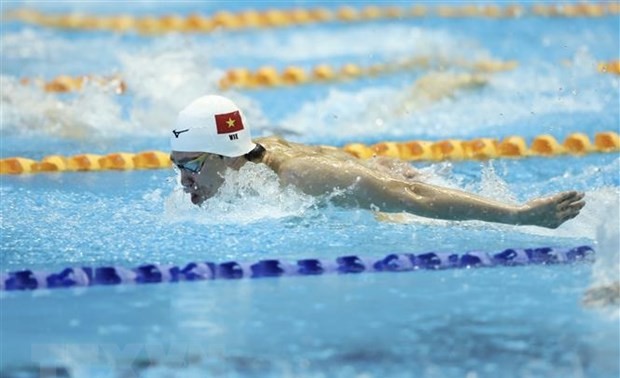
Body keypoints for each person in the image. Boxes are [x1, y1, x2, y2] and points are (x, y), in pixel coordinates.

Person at [170, 95, 585, 229]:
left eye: (190, 166)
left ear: (227, 156)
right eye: (177, 166)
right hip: (374, 172)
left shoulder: (298, 176)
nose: (183, 180)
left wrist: (519, 216)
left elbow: (413, 195)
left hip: (401, 204)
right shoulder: (255, 156)